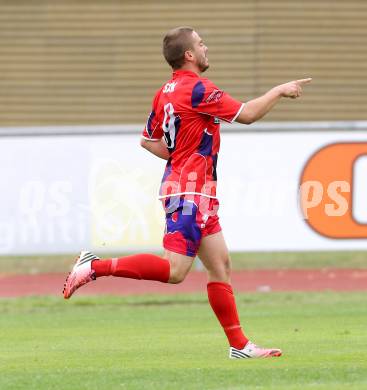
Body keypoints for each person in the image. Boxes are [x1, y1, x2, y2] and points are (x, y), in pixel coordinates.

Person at [63, 26, 311, 359]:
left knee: (220, 265)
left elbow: (148, 139)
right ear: (190, 55)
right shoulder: (198, 89)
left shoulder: (165, 91)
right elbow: (248, 114)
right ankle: (93, 267)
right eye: (201, 43)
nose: (207, 47)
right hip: (188, 192)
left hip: (198, 191)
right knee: (175, 271)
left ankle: (239, 347)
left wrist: (180, 154)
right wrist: (280, 90)